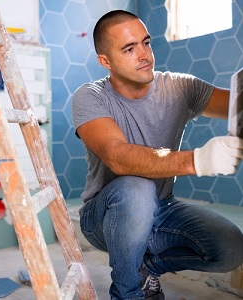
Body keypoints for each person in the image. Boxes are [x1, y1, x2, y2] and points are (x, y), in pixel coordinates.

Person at [72, 10, 243, 300]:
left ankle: (147, 267)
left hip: (162, 207)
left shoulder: (179, 87)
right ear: (106, 61)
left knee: (230, 248)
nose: (145, 55)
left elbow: (234, 104)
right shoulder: (90, 97)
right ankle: (127, 293)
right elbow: (118, 156)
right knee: (136, 187)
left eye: (146, 43)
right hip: (104, 217)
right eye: (129, 48)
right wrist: (198, 160)